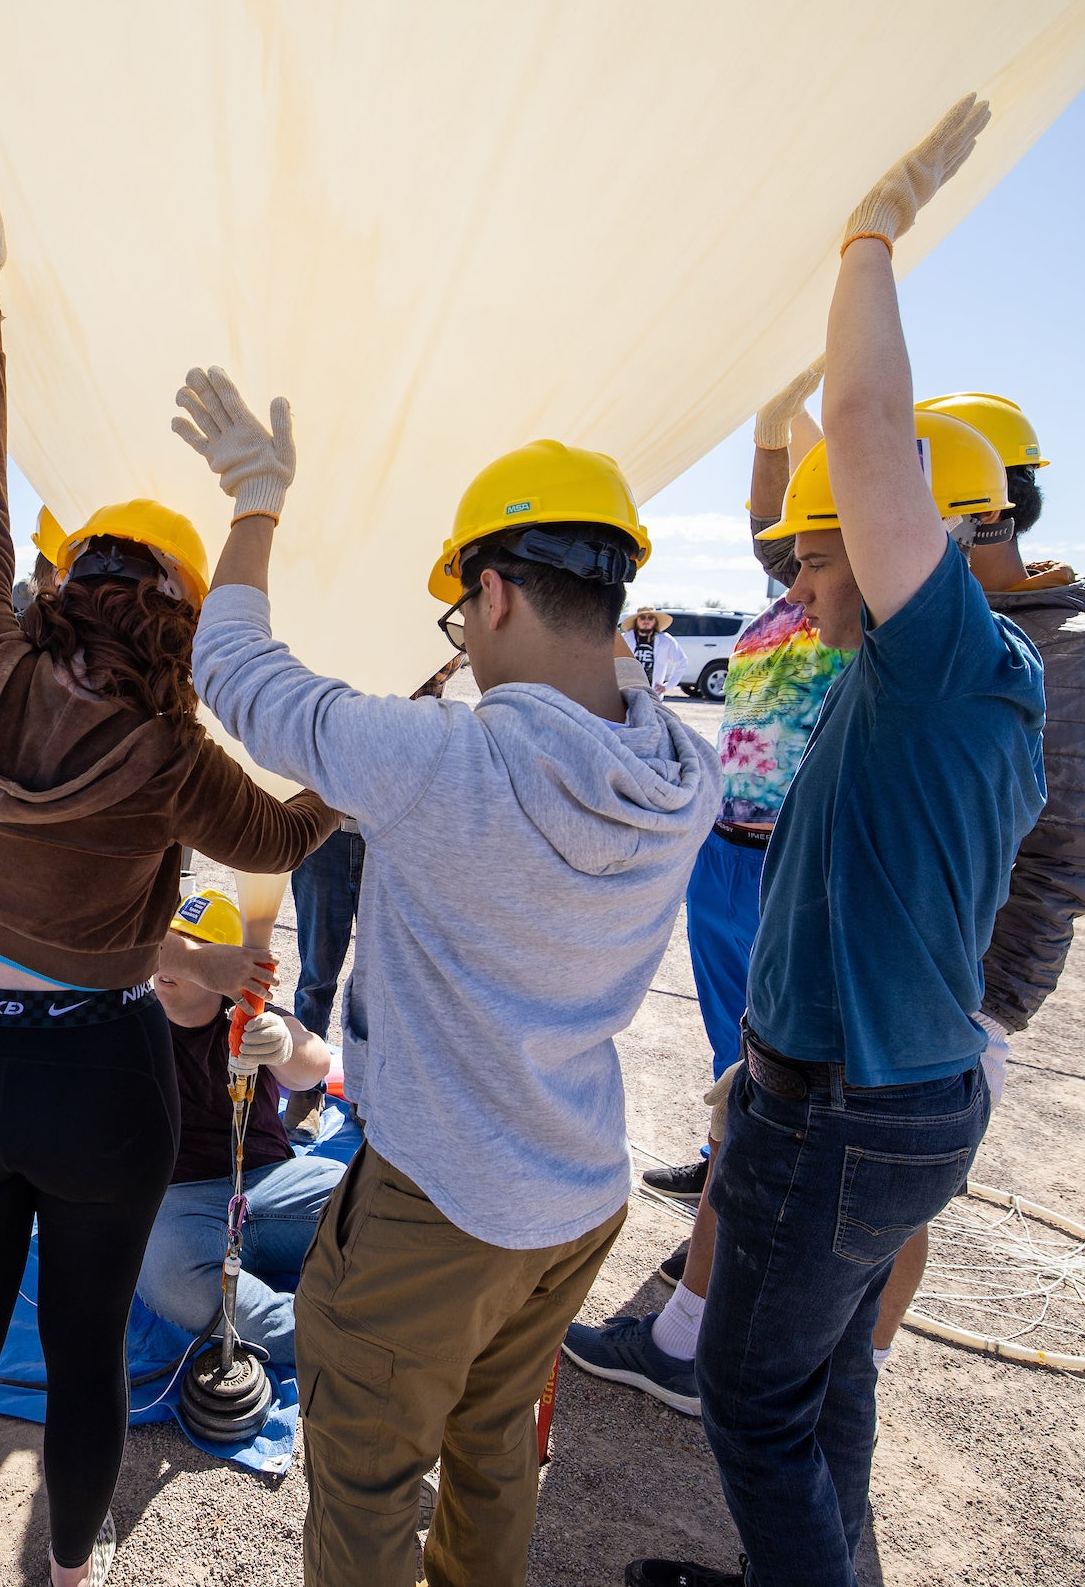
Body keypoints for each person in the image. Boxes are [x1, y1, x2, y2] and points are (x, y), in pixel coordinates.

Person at [176, 366, 719, 1585]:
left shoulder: (441, 763)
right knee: (491, 1451)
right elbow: (596, 700)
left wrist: (257, 501)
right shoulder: (685, 770)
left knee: (367, 1481)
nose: (463, 646)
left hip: (443, 1201)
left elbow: (236, 673)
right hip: (578, 1187)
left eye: (464, 618)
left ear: (495, 590)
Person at [0, 119, 337, 1587]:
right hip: (99, 1079)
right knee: (83, 1358)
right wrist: (380, 745)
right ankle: (69, 1578)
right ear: (188, 629)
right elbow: (284, 830)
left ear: (62, 582)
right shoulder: (171, 763)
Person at [631, 97, 1047, 1587]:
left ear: (916, 539)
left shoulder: (949, 663)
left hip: (853, 1115)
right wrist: (763, 1057)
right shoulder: (912, 686)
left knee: (747, 1405)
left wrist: (870, 232)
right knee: (832, 1381)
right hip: (865, 1090)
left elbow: (869, 432)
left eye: (820, 554)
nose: (801, 582)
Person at [563, 361, 848, 1418]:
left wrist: (809, 419)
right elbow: (778, 504)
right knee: (738, 1050)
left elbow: (829, 492)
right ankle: (721, 1164)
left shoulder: (869, 605)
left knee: (775, 1067)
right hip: (729, 847)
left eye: (817, 542)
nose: (793, 556)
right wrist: (773, 421)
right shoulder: (800, 587)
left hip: (787, 858)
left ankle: (700, 1319)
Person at [864, 394, 1085, 1362]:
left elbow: (1062, 856)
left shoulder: (1076, 654)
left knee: (886, 1209)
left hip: (950, 1001)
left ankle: (853, 1377)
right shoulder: (932, 625)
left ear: (974, 513)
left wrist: (987, 1015)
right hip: (873, 981)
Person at [134, 890, 342, 1366]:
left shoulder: (249, 1013)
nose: (178, 956)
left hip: (273, 1184)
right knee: (167, 1274)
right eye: (173, 942)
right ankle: (329, 1339)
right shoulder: (131, 1019)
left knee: (377, 1206)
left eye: (198, 947)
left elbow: (314, 1067)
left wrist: (284, 1044)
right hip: (179, 1204)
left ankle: (379, 1320)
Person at [286, 653, 461, 1049]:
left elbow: (441, 668)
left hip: (389, 832)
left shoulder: (421, 646)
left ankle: (371, 1093)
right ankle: (307, 1085)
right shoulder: (339, 638)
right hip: (326, 830)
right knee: (317, 972)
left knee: (383, 978)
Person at [625, 607, 688, 696]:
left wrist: (668, 686)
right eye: (642, 617)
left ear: (655, 621)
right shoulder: (626, 639)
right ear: (636, 621)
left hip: (653, 694)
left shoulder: (665, 640)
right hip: (628, 692)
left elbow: (682, 662)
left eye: (650, 618)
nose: (646, 621)